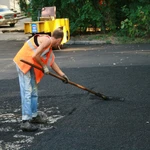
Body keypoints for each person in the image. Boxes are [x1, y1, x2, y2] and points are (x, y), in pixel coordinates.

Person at [13, 27, 69, 132]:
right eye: (60, 42)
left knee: (34, 90)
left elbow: (52, 63)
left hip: (30, 65)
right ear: (59, 39)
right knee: (27, 91)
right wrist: (43, 66)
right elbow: (35, 55)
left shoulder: (49, 48)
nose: (59, 45)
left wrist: (63, 75)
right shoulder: (47, 41)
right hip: (23, 63)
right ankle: (25, 121)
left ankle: (33, 116)